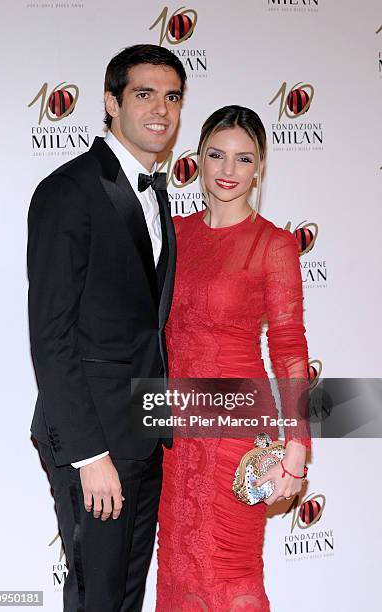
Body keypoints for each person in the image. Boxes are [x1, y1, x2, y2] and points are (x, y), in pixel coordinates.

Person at [27, 44, 186, 611]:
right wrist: (89, 455)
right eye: (144, 94)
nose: (160, 110)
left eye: (172, 97)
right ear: (110, 102)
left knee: (125, 597)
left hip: (144, 431)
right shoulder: (68, 192)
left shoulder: (157, 195)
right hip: (91, 438)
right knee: (96, 596)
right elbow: (51, 335)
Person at [156, 106, 311, 611]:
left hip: (235, 432)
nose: (228, 170)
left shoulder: (273, 244)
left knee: (229, 566)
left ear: (259, 166)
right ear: (197, 159)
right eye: (216, 155)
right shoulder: (175, 234)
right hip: (173, 431)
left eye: (243, 159)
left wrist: (295, 446)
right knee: (178, 564)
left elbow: (288, 349)